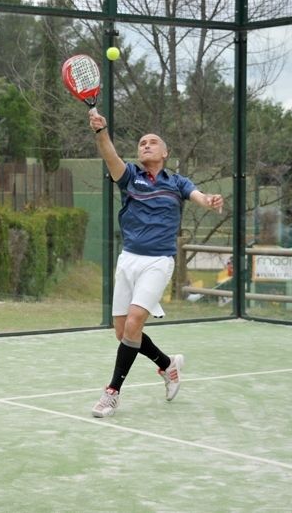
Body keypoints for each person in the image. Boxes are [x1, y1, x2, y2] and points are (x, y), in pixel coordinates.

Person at [87, 111, 223, 418]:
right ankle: (167, 364)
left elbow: (198, 196)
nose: (146, 145)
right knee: (123, 332)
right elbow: (110, 156)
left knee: (134, 323)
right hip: (128, 259)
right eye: (142, 143)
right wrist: (101, 132)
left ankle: (112, 392)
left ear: (165, 153)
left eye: (152, 142)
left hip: (158, 261)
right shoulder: (129, 177)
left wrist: (209, 200)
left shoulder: (177, 182)